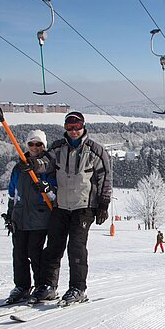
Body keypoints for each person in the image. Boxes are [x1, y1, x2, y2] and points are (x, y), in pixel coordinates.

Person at [26, 112, 112, 304]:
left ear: (83, 127)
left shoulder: (96, 150)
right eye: (69, 127)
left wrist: (104, 203)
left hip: (84, 206)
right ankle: (48, 286)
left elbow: (105, 178)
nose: (73, 131)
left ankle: (78, 288)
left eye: (77, 127)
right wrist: (34, 164)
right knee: (53, 247)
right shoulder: (58, 147)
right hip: (61, 205)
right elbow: (45, 164)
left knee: (76, 247)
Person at [4, 130, 56, 304]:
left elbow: (55, 193)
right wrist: (10, 213)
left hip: (39, 217)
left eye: (38, 144)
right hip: (20, 217)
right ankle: (22, 286)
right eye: (31, 144)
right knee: (19, 253)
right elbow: (12, 193)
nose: (34, 147)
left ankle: (42, 286)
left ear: (44, 146)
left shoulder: (47, 165)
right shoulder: (19, 167)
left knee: (35, 253)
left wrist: (48, 189)